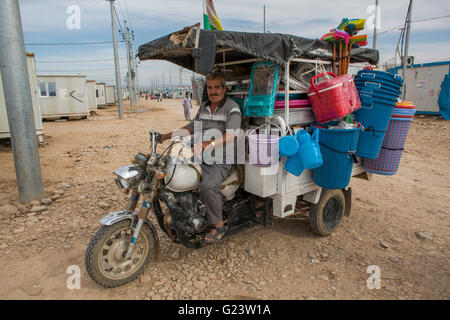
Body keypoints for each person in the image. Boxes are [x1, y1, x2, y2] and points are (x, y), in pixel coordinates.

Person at [159, 70, 241, 243]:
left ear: (224, 89)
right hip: (201, 156)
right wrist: (165, 136)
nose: (213, 91)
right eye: (210, 87)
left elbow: (232, 135)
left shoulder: (232, 108)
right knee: (174, 172)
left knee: (209, 186)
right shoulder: (204, 107)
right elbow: (191, 127)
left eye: (217, 87)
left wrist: (207, 144)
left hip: (222, 160)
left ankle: (218, 225)